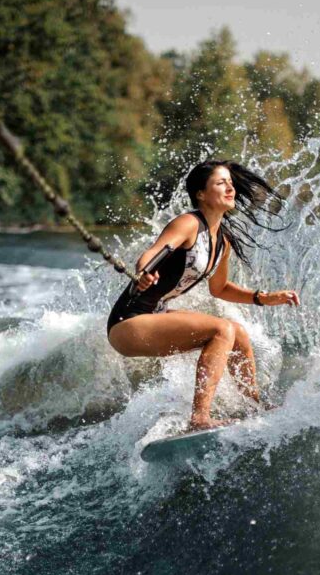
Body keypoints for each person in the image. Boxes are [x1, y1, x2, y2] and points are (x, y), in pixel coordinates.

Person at [107, 160, 299, 431]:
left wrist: (263, 297)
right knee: (221, 329)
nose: (230, 187)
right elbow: (153, 252)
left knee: (238, 332)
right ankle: (199, 418)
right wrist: (144, 271)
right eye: (221, 183)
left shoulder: (222, 240)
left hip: (154, 316)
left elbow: (219, 288)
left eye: (231, 183)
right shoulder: (188, 223)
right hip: (128, 323)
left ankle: (254, 405)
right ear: (201, 194)